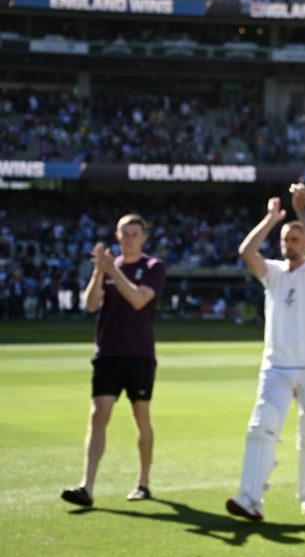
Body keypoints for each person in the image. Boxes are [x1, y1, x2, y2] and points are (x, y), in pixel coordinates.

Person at [227, 183, 305, 521]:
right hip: (277, 366)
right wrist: (271, 219)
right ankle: (250, 498)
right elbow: (247, 252)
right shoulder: (272, 272)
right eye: (286, 239)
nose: (290, 244)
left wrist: (301, 210)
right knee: (261, 428)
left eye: (296, 239)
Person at [61, 214, 165, 507]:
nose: (129, 239)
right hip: (108, 353)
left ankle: (143, 482)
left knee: (141, 417)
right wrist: (99, 272)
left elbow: (138, 299)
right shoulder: (108, 267)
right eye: (125, 234)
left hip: (139, 355)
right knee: (98, 416)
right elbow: (90, 304)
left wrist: (112, 271)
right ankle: (87, 486)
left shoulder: (153, 267)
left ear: (143, 238)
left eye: (135, 234)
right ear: (117, 237)